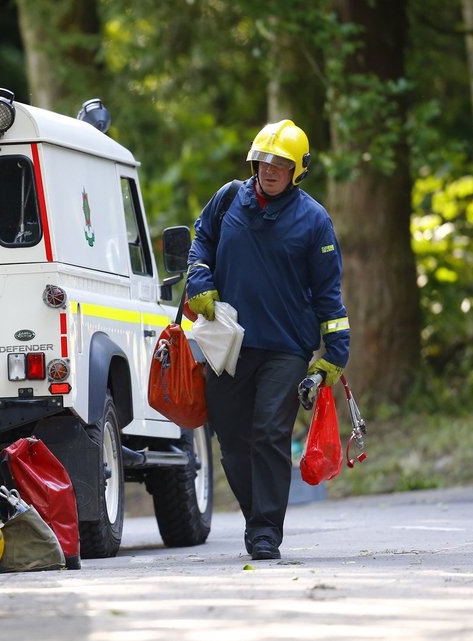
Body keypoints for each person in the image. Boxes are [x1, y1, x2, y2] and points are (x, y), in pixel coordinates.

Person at [185, 120, 350, 561]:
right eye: (264, 160)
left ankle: (264, 532)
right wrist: (198, 279)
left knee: (269, 433)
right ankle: (256, 515)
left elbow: (328, 293)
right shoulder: (227, 200)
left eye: (282, 163)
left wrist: (333, 355)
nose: (270, 169)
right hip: (228, 346)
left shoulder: (314, 220)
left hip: (286, 348)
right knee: (233, 441)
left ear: (298, 170)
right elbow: (200, 243)